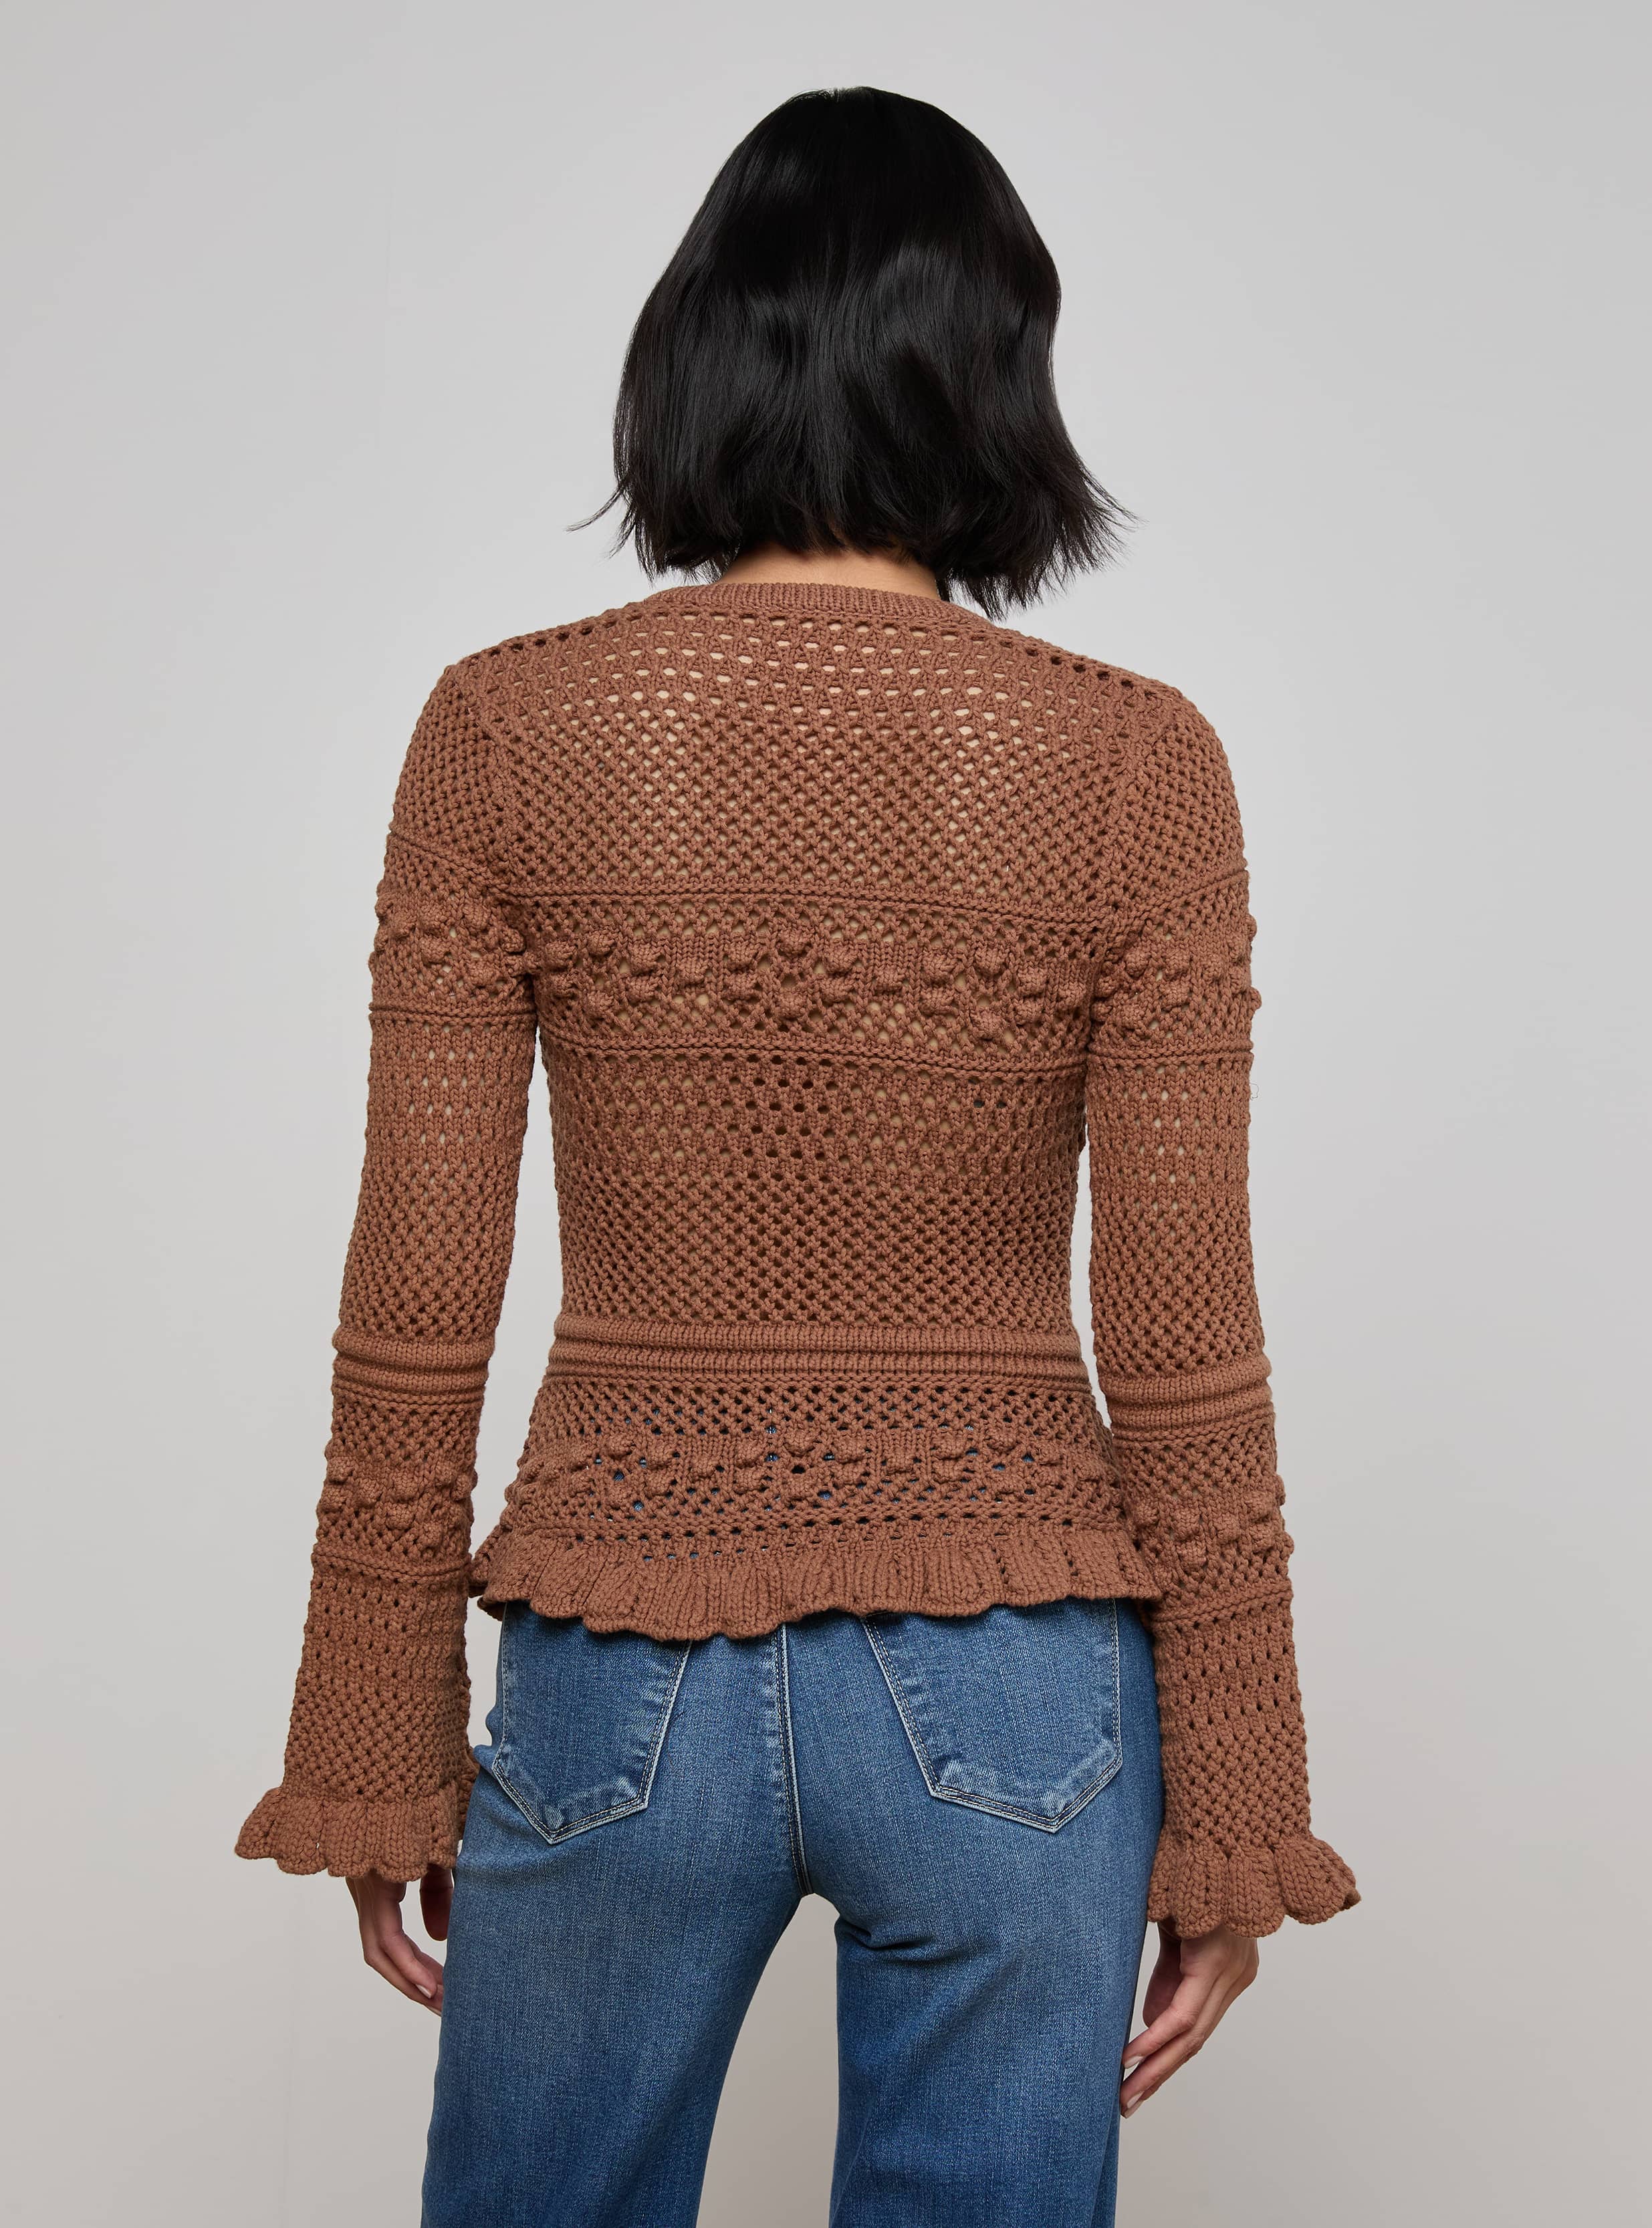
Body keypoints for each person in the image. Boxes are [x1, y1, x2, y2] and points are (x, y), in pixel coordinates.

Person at [237, 84, 1357, 2227]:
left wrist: (370, 1722)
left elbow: (420, 1276)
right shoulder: (1137, 765)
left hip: (619, 1645)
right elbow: (1181, 1322)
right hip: (1017, 1672)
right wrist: (1236, 1793)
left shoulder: (502, 731)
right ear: (998, 373)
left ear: (694, 356)